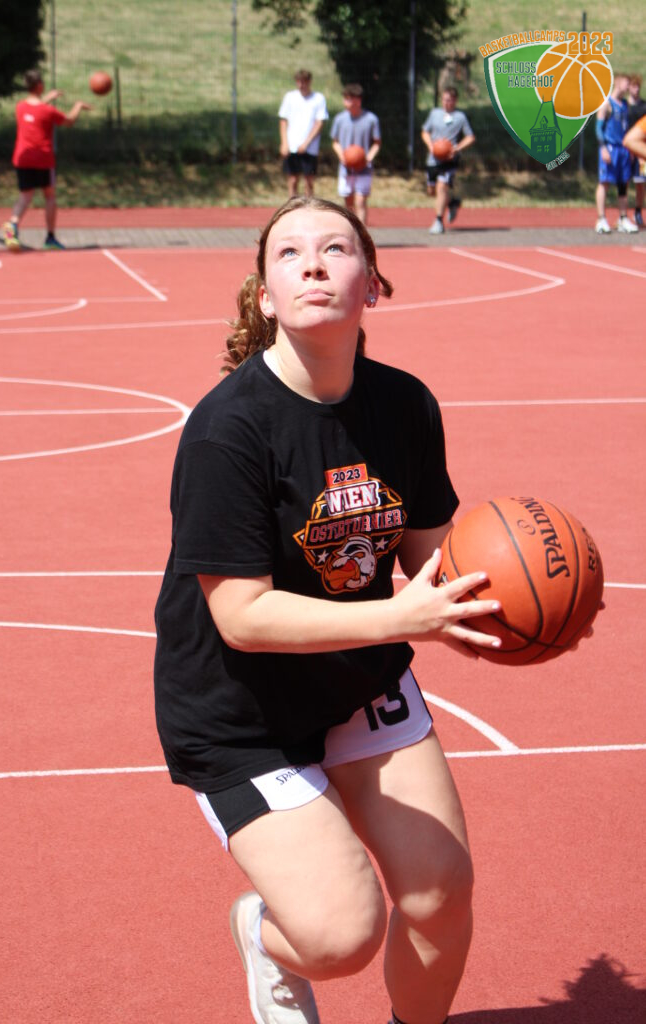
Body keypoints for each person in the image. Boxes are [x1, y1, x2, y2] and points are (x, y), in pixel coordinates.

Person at [154, 195, 505, 1024]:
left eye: (336, 248)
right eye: (290, 253)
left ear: (371, 285)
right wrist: (400, 620)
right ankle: (263, 934)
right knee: (340, 936)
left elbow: (432, 561)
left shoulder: (405, 405)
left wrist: (521, 609)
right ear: (266, 297)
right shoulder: (228, 431)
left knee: (439, 893)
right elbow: (243, 617)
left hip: (355, 680)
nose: (313, 262)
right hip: (241, 710)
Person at [3, 69, 91, 252]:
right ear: (40, 86)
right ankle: (50, 238)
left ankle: (12, 224)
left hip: (22, 158)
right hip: (42, 159)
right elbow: (69, 121)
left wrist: (46, 98)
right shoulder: (48, 111)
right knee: (49, 196)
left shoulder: (20, 107)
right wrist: (78, 106)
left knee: (25, 196)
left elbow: (34, 109)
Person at [421, 87, 475, 236]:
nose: (446, 102)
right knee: (432, 191)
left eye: (450, 100)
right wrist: (430, 145)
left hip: (449, 160)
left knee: (441, 188)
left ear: (455, 101)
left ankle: (438, 221)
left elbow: (470, 137)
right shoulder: (434, 113)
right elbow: (425, 132)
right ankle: (452, 202)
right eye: (444, 99)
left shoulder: (460, 117)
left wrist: (456, 148)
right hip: (433, 159)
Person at [330, 83, 381, 224]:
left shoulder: (371, 119)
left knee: (360, 201)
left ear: (358, 101)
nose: (346, 102)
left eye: (349, 99)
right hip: (346, 167)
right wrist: (341, 155)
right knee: (349, 204)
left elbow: (377, 143)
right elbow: (335, 142)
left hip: (364, 168)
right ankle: (352, 231)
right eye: (345, 99)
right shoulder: (339, 119)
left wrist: (368, 157)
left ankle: (362, 234)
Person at [594, 73, 639, 234]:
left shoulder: (625, 104)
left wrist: (631, 148)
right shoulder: (607, 104)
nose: (628, 87)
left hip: (623, 150)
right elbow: (598, 128)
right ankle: (601, 219)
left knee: (623, 184)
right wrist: (603, 147)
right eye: (626, 83)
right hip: (610, 148)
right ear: (618, 83)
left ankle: (623, 218)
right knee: (604, 182)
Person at [278, 70, 329, 198]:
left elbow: (319, 123)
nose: (301, 85)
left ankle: (309, 208)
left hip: (310, 148)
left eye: (304, 82)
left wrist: (306, 143)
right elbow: (283, 120)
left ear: (309, 82)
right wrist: (284, 143)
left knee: (309, 182)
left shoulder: (318, 98)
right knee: (293, 180)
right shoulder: (290, 97)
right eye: (299, 81)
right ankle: (291, 207)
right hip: (292, 146)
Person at [626, 74, 646, 227]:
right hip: (626, 150)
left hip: (640, 151)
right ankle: (623, 215)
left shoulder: (644, 106)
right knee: (624, 182)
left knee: (641, 183)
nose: (636, 89)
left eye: (638, 86)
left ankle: (638, 212)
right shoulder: (623, 105)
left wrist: (640, 151)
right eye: (634, 86)